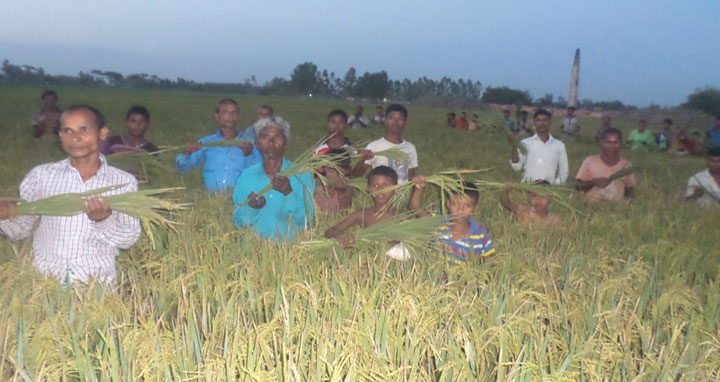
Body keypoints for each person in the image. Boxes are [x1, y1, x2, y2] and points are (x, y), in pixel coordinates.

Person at [0, 105, 141, 286]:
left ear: (102, 133)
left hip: (96, 286)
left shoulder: (123, 182)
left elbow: (128, 239)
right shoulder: (41, 176)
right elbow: (22, 229)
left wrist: (104, 221)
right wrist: (6, 217)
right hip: (46, 284)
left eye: (84, 129)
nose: (75, 137)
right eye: (67, 130)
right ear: (60, 136)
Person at [232, 120, 314, 239]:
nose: (271, 142)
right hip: (256, 250)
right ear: (257, 143)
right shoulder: (247, 176)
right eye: (265, 137)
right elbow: (238, 222)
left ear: (286, 143)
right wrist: (251, 208)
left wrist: (289, 193)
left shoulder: (302, 175)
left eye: (277, 137)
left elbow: (307, 220)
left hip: (292, 251)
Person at [175, 99, 261, 193]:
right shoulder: (207, 143)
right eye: (225, 112)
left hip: (239, 200)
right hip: (211, 199)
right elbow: (181, 169)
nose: (230, 116)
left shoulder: (250, 144)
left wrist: (249, 155)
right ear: (217, 116)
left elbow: (260, 173)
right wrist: (187, 153)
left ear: (239, 116)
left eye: (234, 112)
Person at [409, 177, 495, 263]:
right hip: (434, 274)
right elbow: (415, 207)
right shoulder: (438, 224)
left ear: (475, 208)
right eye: (455, 203)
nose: (460, 209)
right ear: (448, 203)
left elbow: (490, 261)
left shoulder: (480, 235)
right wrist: (419, 188)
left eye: (467, 206)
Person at [324, 166, 398, 247]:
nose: (380, 189)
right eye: (375, 185)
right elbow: (330, 231)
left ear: (395, 189)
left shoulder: (401, 216)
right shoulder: (362, 214)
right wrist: (339, 236)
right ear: (368, 189)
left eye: (385, 186)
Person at [352, 104, 419, 184]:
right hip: (379, 195)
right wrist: (363, 159)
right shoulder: (374, 146)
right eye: (391, 118)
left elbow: (410, 177)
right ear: (385, 121)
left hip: (401, 196)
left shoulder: (410, 147)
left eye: (400, 119)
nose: (395, 122)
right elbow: (355, 176)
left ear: (405, 122)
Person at [509, 109, 569, 185]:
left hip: (549, 190)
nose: (542, 123)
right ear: (534, 123)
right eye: (538, 120)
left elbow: (564, 172)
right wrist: (514, 146)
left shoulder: (559, 145)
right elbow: (516, 167)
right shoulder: (526, 143)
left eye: (545, 120)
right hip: (528, 186)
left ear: (550, 122)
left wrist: (554, 186)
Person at [576, 128, 636, 201]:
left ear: (621, 144)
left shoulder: (626, 165)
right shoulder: (589, 161)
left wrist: (627, 205)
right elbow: (578, 186)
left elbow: (629, 189)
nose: (612, 146)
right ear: (601, 143)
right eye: (608, 142)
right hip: (592, 207)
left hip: (617, 207)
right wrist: (594, 182)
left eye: (616, 142)